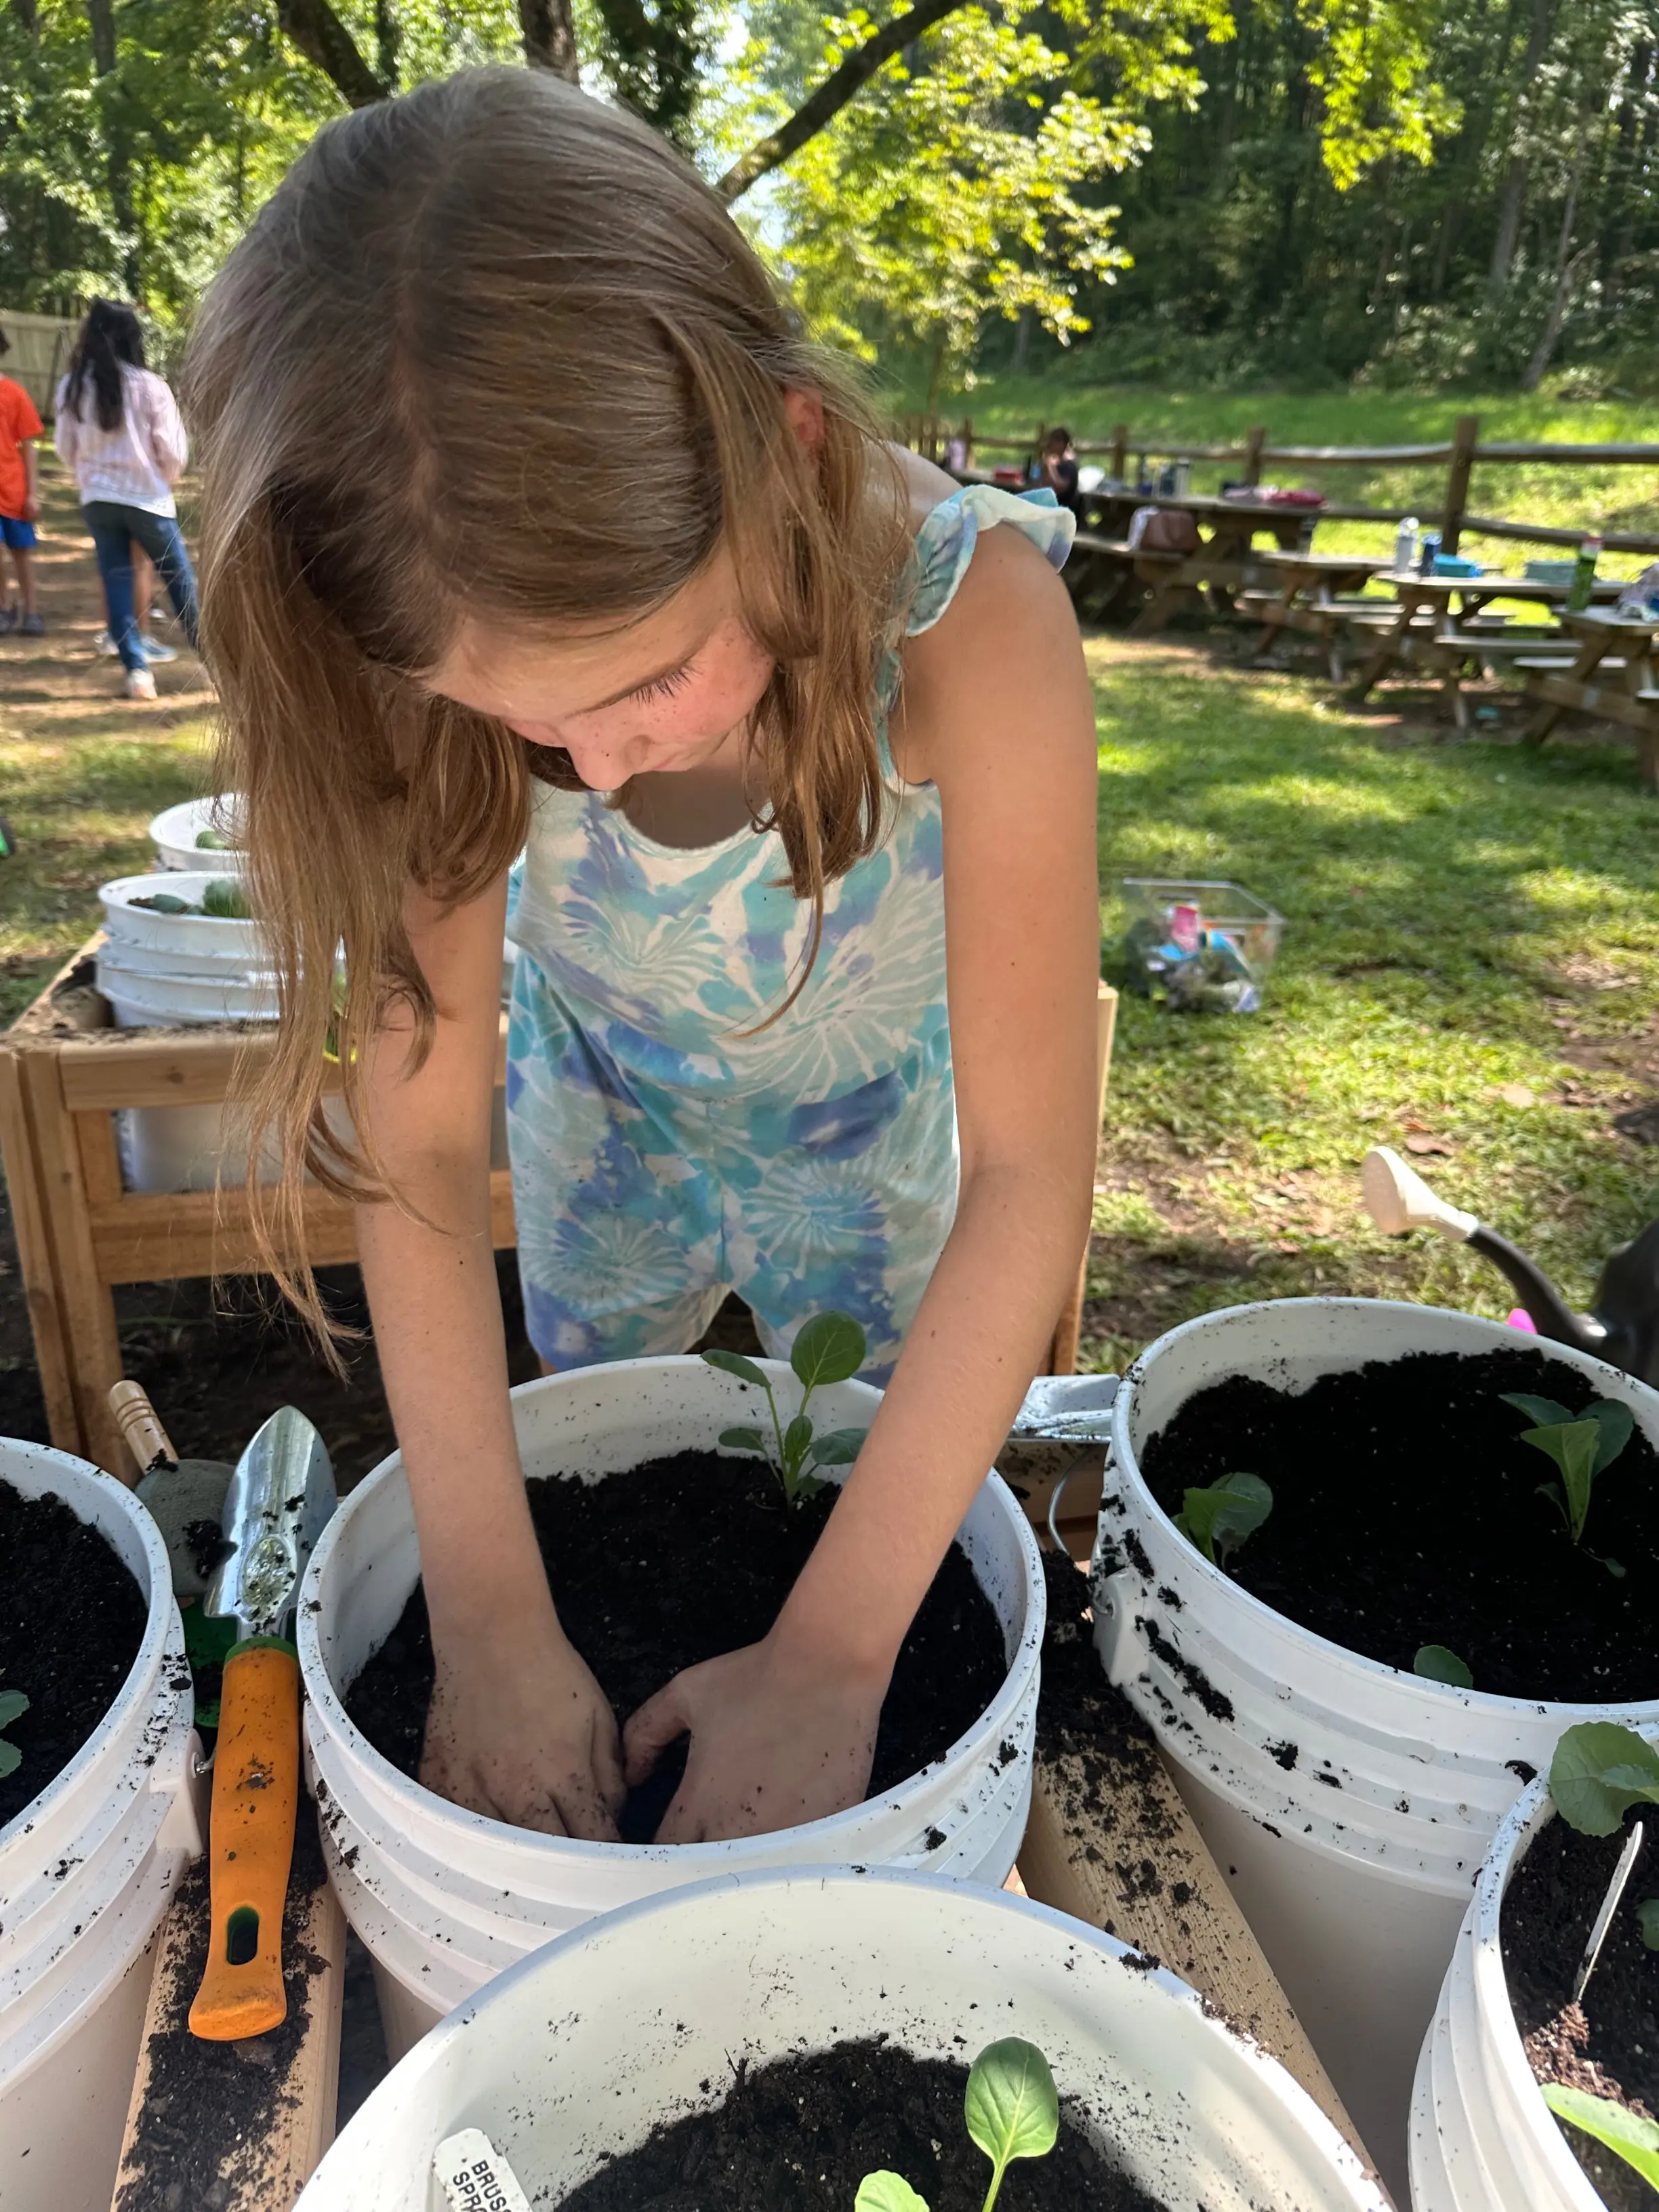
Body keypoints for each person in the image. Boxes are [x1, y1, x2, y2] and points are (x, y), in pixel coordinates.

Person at [184, 68, 1099, 1848]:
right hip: (604, 1141)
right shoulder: (445, 625)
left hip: (877, 1172)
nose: (590, 770)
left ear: (791, 454)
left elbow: (1027, 1176)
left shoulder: (975, 629)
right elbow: (422, 1141)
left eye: (645, 682)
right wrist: (491, 1618)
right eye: (522, 726)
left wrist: (832, 1659)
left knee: (875, 1470)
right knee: (610, 1446)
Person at [54, 301, 199, 701]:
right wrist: (161, 481)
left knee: (116, 580)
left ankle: (137, 673)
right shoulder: (151, 387)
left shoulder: (73, 386)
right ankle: (217, 660)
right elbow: (173, 452)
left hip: (99, 500)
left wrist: (92, 474)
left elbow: (65, 448)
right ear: (134, 338)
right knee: (180, 580)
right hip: (148, 498)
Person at [0, 327, 45, 637]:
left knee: (22, 554)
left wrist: (33, 494)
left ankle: (31, 611)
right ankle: (4, 607)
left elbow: (29, 447)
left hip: (14, 492)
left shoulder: (14, 393)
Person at [1036, 426, 1082, 516]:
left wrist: (1050, 467)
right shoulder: (1054, 462)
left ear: (1061, 444)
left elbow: (1060, 488)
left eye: (1051, 443)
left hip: (1064, 510)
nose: (1048, 447)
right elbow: (1042, 486)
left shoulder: (1069, 465)